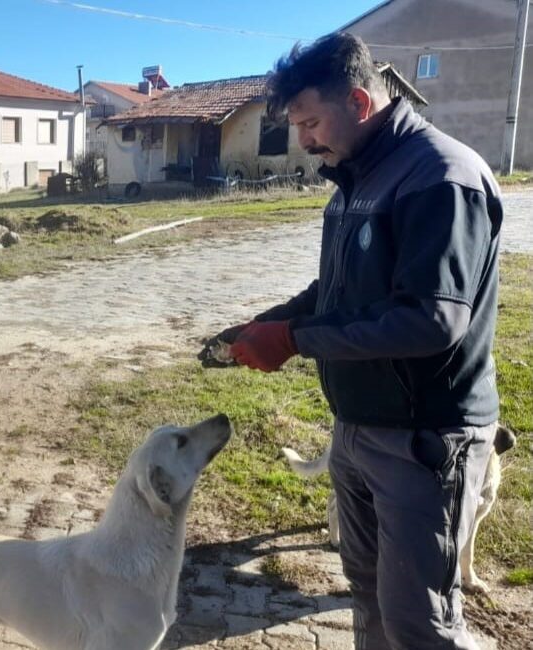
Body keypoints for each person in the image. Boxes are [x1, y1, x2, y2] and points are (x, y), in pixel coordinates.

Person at [199, 33, 503, 650]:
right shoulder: (360, 178)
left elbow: (432, 320)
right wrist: (269, 322)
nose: (305, 140)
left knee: (420, 622)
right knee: (365, 593)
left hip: (424, 441)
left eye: (311, 122)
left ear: (360, 103)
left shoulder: (439, 177)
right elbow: (339, 290)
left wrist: (292, 340)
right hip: (358, 428)